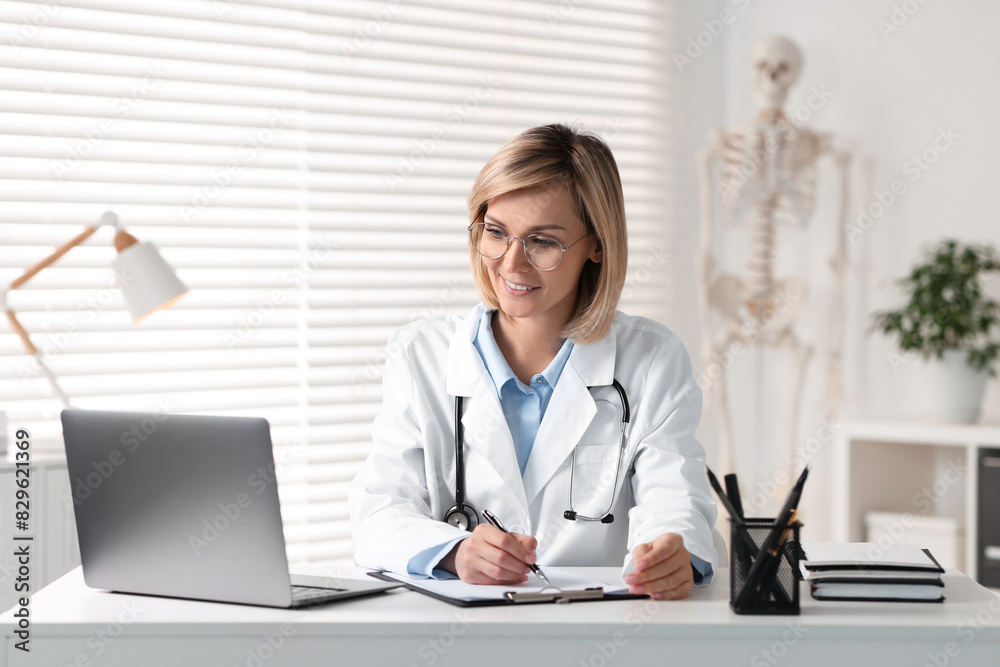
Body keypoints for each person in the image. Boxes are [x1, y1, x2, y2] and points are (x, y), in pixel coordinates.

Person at [349, 123, 717, 600]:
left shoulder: (651, 359)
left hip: (600, 630)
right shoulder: (421, 356)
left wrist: (671, 553)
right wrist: (455, 553)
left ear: (598, 245)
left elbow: (676, 500)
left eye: (542, 241)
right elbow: (379, 513)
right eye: (496, 232)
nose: (511, 263)